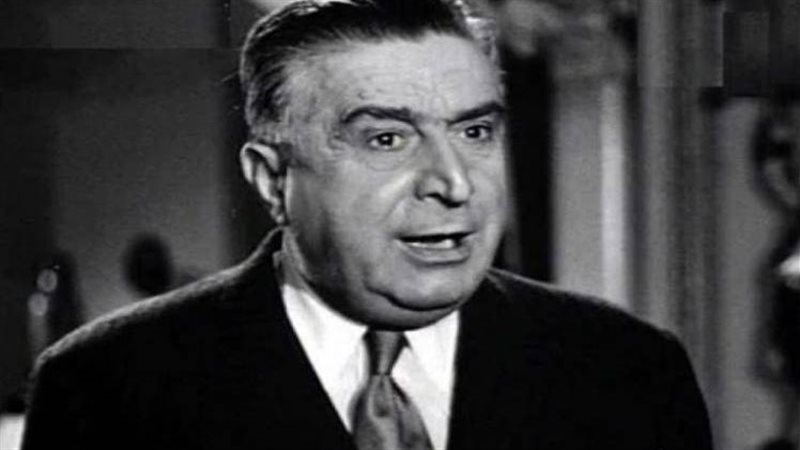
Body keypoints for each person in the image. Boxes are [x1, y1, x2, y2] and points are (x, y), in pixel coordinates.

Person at [21, 0, 713, 449]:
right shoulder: (107, 388)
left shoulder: (628, 369)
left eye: (474, 131)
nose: (454, 183)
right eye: (387, 139)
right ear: (272, 180)